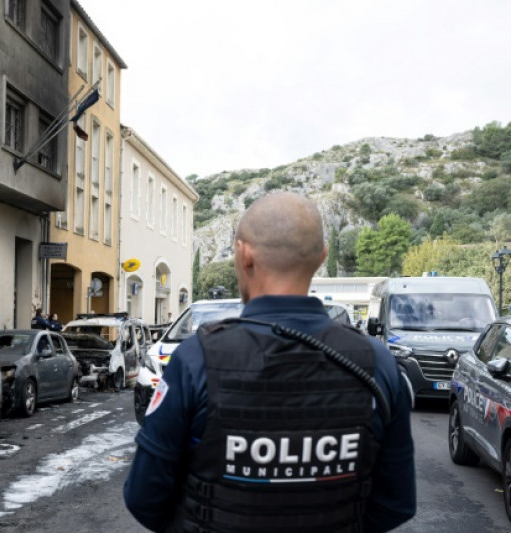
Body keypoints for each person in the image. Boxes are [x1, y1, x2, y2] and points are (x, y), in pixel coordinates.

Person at [123, 192, 415, 532]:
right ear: (322, 257)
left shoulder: (195, 360)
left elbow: (145, 498)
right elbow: (396, 504)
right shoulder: (376, 363)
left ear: (244, 254)